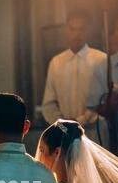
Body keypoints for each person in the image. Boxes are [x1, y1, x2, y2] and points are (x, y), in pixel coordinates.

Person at [42, 10, 107, 144]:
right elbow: (49, 104)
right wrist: (62, 126)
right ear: (66, 30)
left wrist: (81, 120)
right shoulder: (56, 62)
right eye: (72, 29)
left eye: (81, 29)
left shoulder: (101, 60)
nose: (77, 34)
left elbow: (104, 100)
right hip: (66, 136)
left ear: (88, 31)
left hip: (95, 134)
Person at [87, 13, 118, 165]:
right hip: (114, 141)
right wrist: (108, 105)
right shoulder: (104, 66)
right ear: (113, 35)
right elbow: (94, 103)